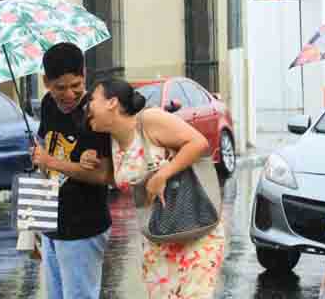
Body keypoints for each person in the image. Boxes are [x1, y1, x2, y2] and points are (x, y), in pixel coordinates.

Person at [85, 78, 225, 299]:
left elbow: (198, 143)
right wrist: (87, 161)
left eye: (92, 99)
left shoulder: (149, 120)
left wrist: (163, 174)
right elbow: (118, 178)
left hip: (196, 227)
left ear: (111, 102)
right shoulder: (111, 141)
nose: (87, 107)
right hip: (158, 237)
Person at [30, 42, 114, 299]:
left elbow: (103, 175)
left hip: (83, 225)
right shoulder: (47, 105)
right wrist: (34, 224)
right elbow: (45, 148)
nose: (69, 95)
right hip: (51, 221)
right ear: (46, 82)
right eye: (60, 88)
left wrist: (50, 161)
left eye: (76, 86)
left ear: (84, 75)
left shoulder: (95, 114)